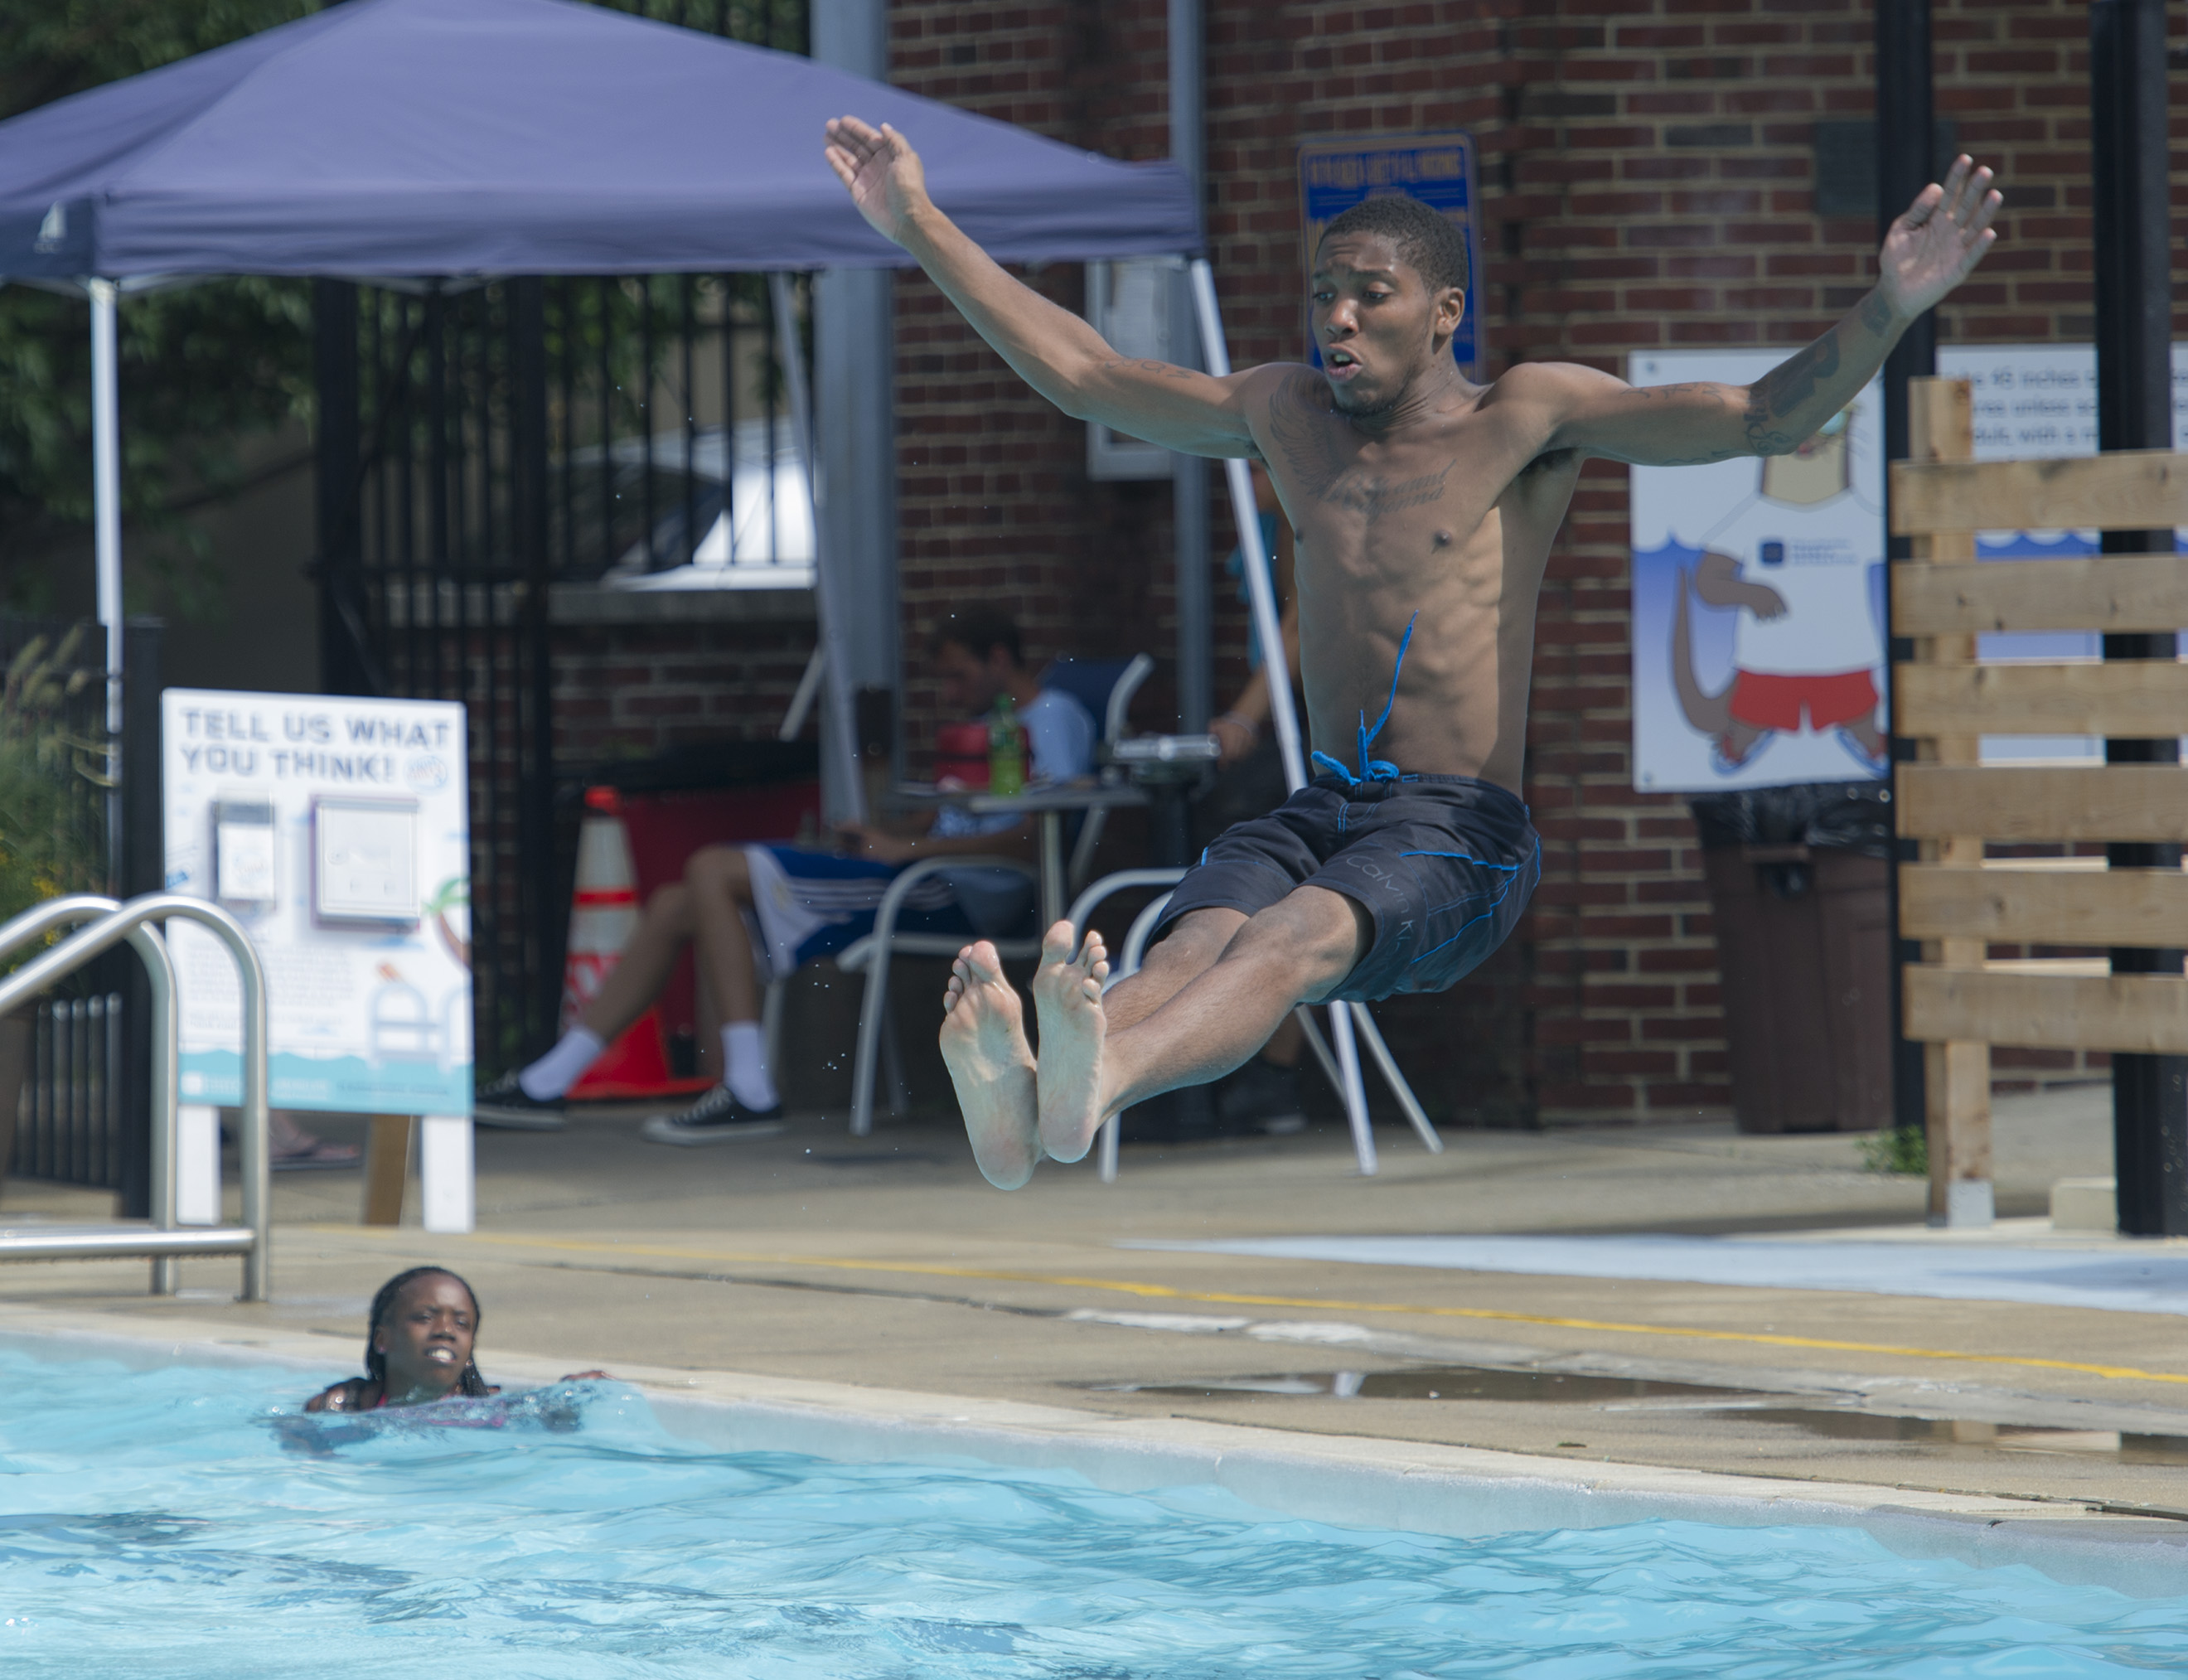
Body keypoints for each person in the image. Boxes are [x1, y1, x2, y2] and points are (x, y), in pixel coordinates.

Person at [820, 114, 2000, 1189]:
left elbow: (1764, 417)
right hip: (1322, 807)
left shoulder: (1527, 419)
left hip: (1460, 834)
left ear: (1443, 313)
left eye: (1369, 295)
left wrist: (1889, 307)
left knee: (1285, 940)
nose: (1337, 318)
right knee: (1196, 938)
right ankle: (1040, 1105)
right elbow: (1084, 375)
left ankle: (1091, 1083)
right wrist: (918, 222)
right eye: (1324, 292)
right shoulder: (1284, 416)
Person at [472, 610, 1096, 1145]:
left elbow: (1036, 834)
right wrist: (888, 833)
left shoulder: (1051, 716)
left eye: (959, 673)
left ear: (998, 658)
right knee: (673, 902)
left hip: (955, 892)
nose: (951, 690)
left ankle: (749, 1086)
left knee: (711, 868)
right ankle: (549, 1081)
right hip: (922, 869)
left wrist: (903, 847)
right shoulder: (991, 726)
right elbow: (956, 810)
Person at [303, 1266, 603, 1412]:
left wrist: (574, 1396)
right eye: (424, 1317)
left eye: (462, 1324)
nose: (446, 1330)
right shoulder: (339, 1407)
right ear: (383, 1339)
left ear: (470, 1348)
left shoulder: (494, 1410)